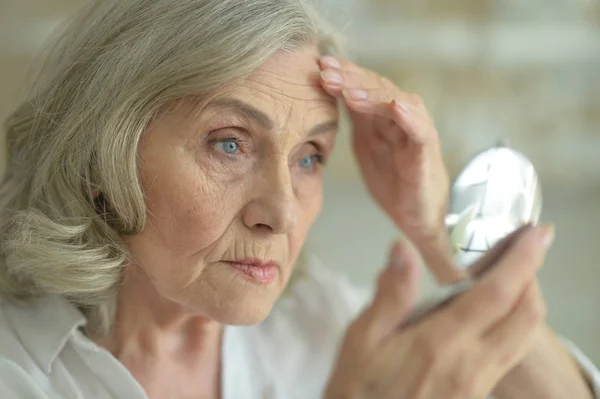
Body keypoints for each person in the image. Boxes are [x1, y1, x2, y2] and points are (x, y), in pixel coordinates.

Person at [0, 0, 597, 398]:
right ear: (102, 156)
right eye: (229, 144)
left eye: (309, 156)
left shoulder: (324, 322)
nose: (282, 212)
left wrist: (435, 233)